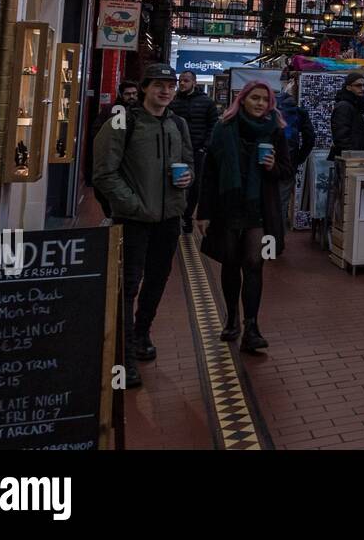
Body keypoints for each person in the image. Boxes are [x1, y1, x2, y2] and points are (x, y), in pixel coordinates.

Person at [92, 63, 194, 388]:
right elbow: (104, 173)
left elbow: (189, 161)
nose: (165, 91)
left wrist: (188, 180)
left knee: (157, 281)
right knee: (128, 284)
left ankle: (141, 333)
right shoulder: (124, 120)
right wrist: (133, 205)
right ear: (146, 88)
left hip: (168, 220)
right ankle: (124, 356)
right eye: (158, 85)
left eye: (171, 85)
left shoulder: (178, 123)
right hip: (134, 220)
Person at [197, 80, 291, 352]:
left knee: (253, 264)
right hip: (228, 206)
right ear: (243, 99)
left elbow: (287, 170)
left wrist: (273, 167)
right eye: (255, 98)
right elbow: (210, 173)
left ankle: (252, 326)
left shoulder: (275, 131)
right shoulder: (223, 128)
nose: (261, 104)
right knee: (230, 263)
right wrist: (203, 212)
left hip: (259, 209)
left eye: (265, 99)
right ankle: (232, 319)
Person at [170, 70, 219, 233]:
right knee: (175, 183)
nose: (182, 83)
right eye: (180, 80)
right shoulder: (173, 101)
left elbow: (213, 126)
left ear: (194, 83)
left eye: (186, 81)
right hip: (176, 150)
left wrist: (205, 146)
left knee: (194, 185)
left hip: (197, 150)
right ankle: (174, 214)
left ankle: (187, 216)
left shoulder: (206, 102)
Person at [275, 69, 315, 223]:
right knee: (282, 203)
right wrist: (299, 158)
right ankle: (276, 241)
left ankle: (264, 241)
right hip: (289, 162)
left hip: (267, 161)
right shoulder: (299, 112)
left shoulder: (270, 110)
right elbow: (310, 139)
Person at [329, 73, 364, 158]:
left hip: (354, 156)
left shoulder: (356, 105)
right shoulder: (344, 106)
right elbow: (341, 136)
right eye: (358, 85)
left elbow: (354, 131)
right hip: (348, 158)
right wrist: (353, 155)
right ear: (348, 87)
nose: (363, 88)